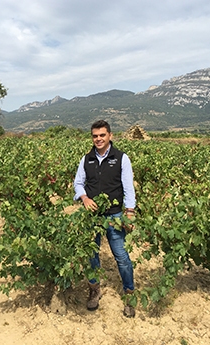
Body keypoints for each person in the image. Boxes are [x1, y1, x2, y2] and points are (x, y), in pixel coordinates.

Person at [73, 119, 136, 317]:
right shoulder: (86, 159)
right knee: (91, 256)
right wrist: (83, 197)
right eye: (95, 136)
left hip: (115, 215)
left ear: (110, 136)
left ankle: (129, 295)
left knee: (122, 257)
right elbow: (78, 183)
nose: (98, 139)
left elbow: (128, 188)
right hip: (92, 217)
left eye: (102, 135)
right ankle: (94, 291)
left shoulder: (121, 158)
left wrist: (130, 212)